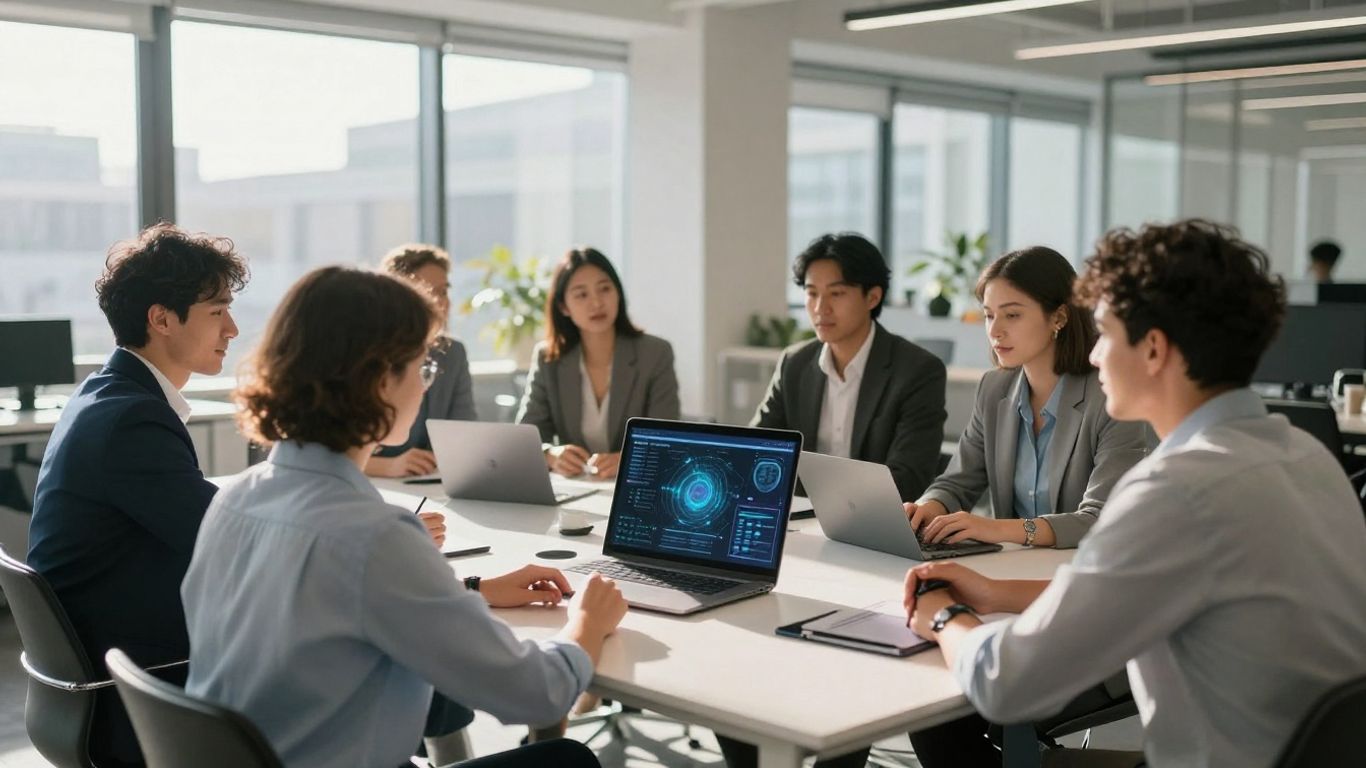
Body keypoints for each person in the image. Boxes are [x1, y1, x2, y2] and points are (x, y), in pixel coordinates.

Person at [906, 220, 1366, 768]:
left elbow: (1005, 684)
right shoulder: (1309, 457)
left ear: (1153, 350)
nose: (1094, 354)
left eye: (1104, 332)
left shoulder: (1175, 494)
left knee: (941, 717)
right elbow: (1138, 588)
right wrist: (992, 592)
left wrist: (942, 616)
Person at [182, 265, 629, 768]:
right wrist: (588, 623)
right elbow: (538, 695)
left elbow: (329, 606)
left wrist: (472, 591)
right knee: (566, 759)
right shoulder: (373, 537)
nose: (423, 386)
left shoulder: (233, 500)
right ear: (378, 381)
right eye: (420, 368)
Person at [25, 223, 247, 766]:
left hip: (103, 671)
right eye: (217, 311)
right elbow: (231, 544)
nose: (234, 329)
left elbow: (192, 510)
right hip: (143, 686)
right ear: (162, 319)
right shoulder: (132, 419)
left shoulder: (108, 394)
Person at [907, 246, 1151, 550]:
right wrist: (927, 508)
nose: (995, 330)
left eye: (1012, 315)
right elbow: (958, 482)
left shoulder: (1110, 398)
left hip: (1085, 570)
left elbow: (1102, 517)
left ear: (1059, 317)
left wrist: (1001, 529)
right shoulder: (994, 388)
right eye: (989, 315)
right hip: (1013, 568)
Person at [752, 233, 945, 502]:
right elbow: (756, 450)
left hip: (875, 525)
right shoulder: (794, 364)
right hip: (799, 519)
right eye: (812, 293)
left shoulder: (917, 371)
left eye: (837, 293)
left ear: (873, 297)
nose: (820, 308)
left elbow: (908, 477)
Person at [517, 247, 680, 480]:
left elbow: (666, 440)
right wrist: (550, 454)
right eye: (581, 294)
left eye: (604, 289)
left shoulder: (655, 354)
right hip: (576, 491)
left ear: (618, 294)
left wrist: (628, 459)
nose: (596, 303)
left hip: (636, 486)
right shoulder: (548, 358)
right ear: (563, 307)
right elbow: (526, 436)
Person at [367, 243, 477, 479]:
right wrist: (389, 466)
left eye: (444, 291)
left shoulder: (453, 353)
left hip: (430, 484)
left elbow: (466, 436)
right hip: (375, 485)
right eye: (428, 292)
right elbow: (327, 454)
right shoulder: (367, 353)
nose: (441, 302)